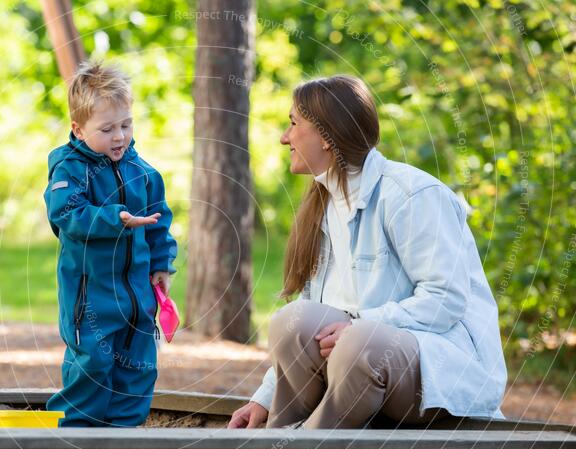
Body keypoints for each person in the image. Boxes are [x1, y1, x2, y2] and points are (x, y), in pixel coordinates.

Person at [228, 75, 507, 429]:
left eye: (293, 124)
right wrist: (264, 399)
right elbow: (316, 311)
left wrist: (361, 323)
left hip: (441, 375)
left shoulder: (411, 195)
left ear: (326, 137)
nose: (285, 137)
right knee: (292, 321)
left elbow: (444, 300)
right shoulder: (325, 204)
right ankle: (277, 437)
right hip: (360, 365)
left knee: (359, 341)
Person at [44, 61, 177, 427]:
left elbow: (159, 224)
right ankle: (74, 436)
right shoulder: (69, 169)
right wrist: (114, 218)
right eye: (107, 129)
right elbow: (67, 215)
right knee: (92, 366)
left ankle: (123, 439)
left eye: (126, 124)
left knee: (139, 371)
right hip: (91, 300)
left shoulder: (144, 174)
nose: (119, 136)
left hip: (138, 300)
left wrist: (161, 265)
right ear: (78, 128)